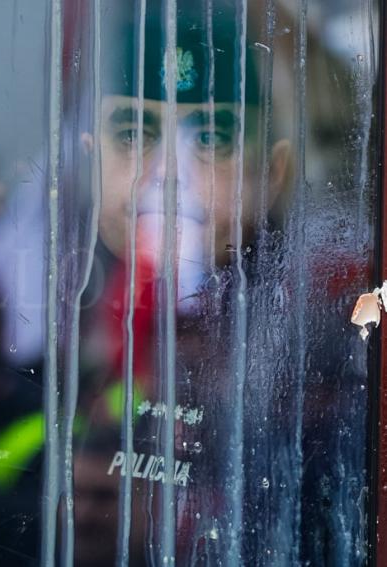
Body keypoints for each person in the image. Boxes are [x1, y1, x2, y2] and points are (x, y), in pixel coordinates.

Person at [66, 1, 361, 564]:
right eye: (134, 134)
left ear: (271, 173)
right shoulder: (67, 325)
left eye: (213, 140)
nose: (170, 174)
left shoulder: (317, 338)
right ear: (92, 159)